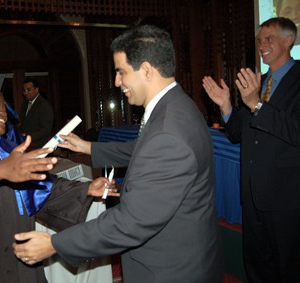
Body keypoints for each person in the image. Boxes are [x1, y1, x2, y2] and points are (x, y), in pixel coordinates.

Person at [14, 25, 223, 283]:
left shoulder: (169, 132)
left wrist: (56, 244)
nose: (116, 82)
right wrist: (88, 147)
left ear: (146, 69)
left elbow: (132, 222)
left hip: (169, 269)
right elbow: (143, 150)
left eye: (121, 72)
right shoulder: (177, 106)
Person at [0, 81, 117, 283]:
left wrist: (86, 188)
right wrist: (0, 169)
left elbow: (42, 186)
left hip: (17, 240)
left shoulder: (8, 148)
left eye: (5, 107)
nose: (4, 113)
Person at [202, 17, 300, 283]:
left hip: (287, 198)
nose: (262, 46)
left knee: (289, 268)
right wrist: (226, 107)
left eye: (269, 39)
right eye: (260, 41)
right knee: (258, 267)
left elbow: (294, 131)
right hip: (253, 195)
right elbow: (238, 135)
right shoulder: (260, 82)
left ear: (289, 41)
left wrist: (256, 104)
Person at [19, 78, 54, 147]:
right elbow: (24, 124)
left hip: (39, 145)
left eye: (29, 90)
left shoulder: (44, 105)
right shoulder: (24, 104)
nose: (25, 93)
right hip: (27, 145)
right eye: (24, 90)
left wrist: (27, 136)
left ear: (36, 90)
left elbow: (45, 130)